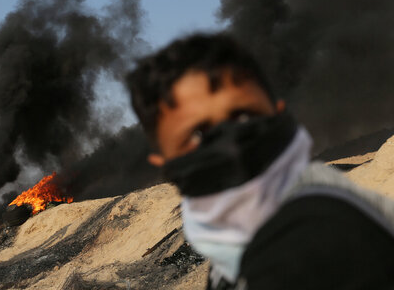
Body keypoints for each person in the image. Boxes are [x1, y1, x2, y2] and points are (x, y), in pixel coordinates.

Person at [125, 33, 394, 289]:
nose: (230, 141)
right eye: (199, 133)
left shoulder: (316, 240)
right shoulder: (235, 244)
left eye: (243, 115)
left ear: (278, 112)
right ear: (164, 162)